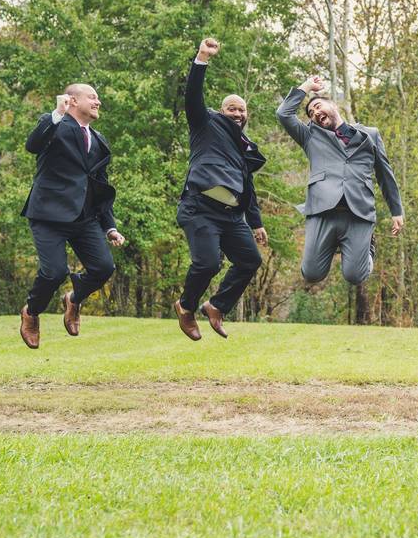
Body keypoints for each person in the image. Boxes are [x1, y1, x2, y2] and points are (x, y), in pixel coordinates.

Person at [172, 38, 268, 340]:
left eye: (242, 110)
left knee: (250, 260)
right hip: (199, 208)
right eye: (232, 108)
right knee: (209, 263)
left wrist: (256, 223)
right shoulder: (205, 123)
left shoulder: (245, 147)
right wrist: (202, 58)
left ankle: (215, 305)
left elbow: (246, 187)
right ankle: (185, 307)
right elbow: (193, 96)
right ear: (220, 110)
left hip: (230, 215)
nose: (238, 113)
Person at [19, 85, 125, 349]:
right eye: (92, 97)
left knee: (104, 267)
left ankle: (74, 299)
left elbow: (100, 188)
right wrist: (57, 112)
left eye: (98, 97)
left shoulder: (99, 141)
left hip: (84, 218)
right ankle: (31, 312)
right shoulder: (54, 126)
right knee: (54, 272)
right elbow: (32, 145)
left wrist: (109, 226)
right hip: (48, 216)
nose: (98, 101)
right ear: (73, 100)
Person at [275, 75, 403, 287]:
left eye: (317, 106)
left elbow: (385, 173)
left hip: (359, 212)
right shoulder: (310, 136)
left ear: (333, 105)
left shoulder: (370, 135)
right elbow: (283, 113)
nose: (315, 113)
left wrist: (396, 211)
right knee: (311, 273)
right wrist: (307, 87)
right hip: (322, 211)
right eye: (311, 113)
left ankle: (366, 248)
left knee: (355, 275)